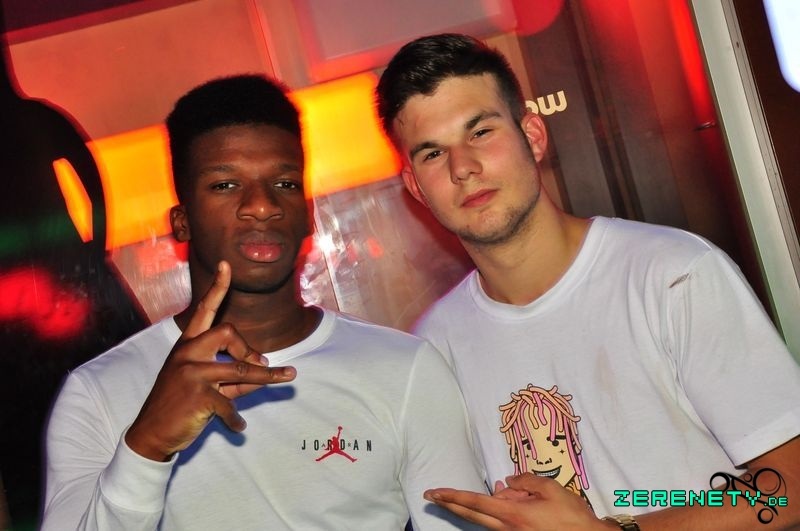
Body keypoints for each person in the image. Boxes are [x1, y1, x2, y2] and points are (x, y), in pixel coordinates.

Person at [376, 33, 800, 530]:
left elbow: (790, 487)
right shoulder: (434, 347)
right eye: (432, 154)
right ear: (416, 188)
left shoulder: (672, 275)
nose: (463, 168)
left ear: (533, 136)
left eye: (481, 132)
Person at [41, 74, 485, 530]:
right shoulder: (98, 393)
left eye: (285, 183)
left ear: (308, 215)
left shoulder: (403, 368)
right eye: (225, 185)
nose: (261, 205)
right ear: (181, 221)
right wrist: (147, 445)